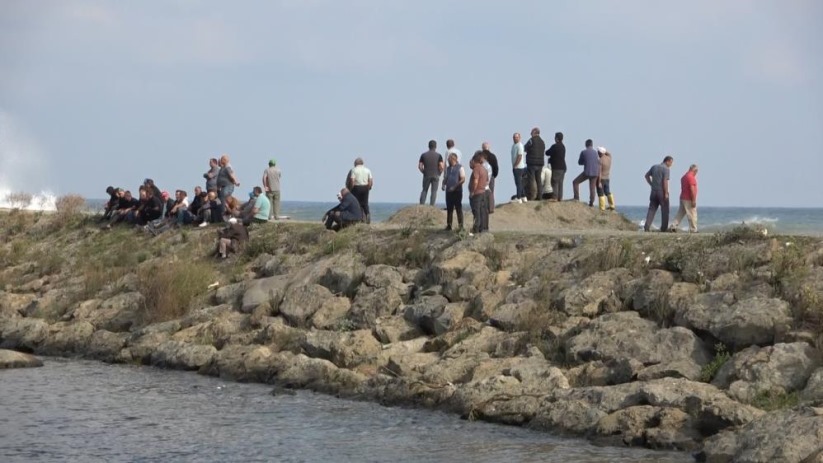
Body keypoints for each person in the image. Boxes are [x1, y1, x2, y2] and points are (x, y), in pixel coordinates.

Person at [644, 155, 674, 232]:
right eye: (671, 163)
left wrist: (651, 184)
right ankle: (663, 228)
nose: (671, 165)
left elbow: (646, 176)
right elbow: (665, 182)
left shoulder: (654, 167)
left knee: (652, 209)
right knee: (665, 210)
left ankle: (647, 227)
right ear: (667, 161)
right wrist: (666, 193)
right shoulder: (666, 169)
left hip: (653, 191)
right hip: (661, 191)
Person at [670, 164, 699, 233]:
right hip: (688, 198)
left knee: (680, 213)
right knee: (692, 214)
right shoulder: (691, 177)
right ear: (695, 171)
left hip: (682, 197)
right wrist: (693, 200)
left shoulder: (684, 177)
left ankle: (673, 226)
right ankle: (693, 229)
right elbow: (692, 189)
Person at [441, 151, 465, 231]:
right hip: (448, 191)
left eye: (448, 159)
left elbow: (463, 179)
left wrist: (454, 187)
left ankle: (461, 226)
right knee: (449, 209)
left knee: (458, 208)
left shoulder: (460, 167)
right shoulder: (448, 169)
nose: (447, 160)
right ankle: (449, 225)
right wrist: (443, 184)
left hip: (457, 191)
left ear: (453, 159)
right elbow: (446, 178)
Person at [572, 139, 600, 207]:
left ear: (586, 145)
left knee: (575, 182)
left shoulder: (583, 152)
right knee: (592, 188)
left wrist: (585, 162)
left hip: (587, 171)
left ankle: (576, 198)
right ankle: (591, 202)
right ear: (592, 144)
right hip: (595, 172)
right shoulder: (596, 152)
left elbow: (579, 162)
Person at [468, 151, 489, 234]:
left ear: (474, 160)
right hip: (483, 192)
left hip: (477, 193)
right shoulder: (484, 169)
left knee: (476, 211)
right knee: (481, 211)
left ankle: (476, 229)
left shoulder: (476, 169)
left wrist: (472, 191)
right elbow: (487, 181)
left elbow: (475, 181)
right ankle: (482, 228)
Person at [418, 140, 444, 205]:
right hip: (436, 175)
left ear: (428, 146)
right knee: (434, 191)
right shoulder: (439, 155)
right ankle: (432, 206)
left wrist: (424, 172)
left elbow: (420, 166)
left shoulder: (423, 155)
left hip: (426, 175)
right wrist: (439, 173)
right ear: (436, 146)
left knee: (424, 190)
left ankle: (422, 204)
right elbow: (441, 166)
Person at [348, 157, 373, 224]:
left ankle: (359, 218)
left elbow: (352, 181)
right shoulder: (368, 170)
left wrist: (350, 189)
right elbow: (370, 180)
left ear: (356, 163)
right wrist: (369, 187)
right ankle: (367, 214)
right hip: (365, 187)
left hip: (356, 187)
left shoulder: (354, 170)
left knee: (356, 203)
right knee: (365, 203)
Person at [524, 127, 546, 201]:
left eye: (531, 132)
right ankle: (539, 196)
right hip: (540, 163)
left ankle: (531, 196)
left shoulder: (531, 140)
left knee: (531, 180)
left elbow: (524, 148)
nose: (530, 134)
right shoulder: (542, 142)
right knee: (538, 180)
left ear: (534, 133)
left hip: (532, 163)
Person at [546, 132, 566, 201]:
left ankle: (555, 197)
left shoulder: (555, 146)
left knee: (554, 182)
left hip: (556, 167)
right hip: (563, 167)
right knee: (560, 183)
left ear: (557, 138)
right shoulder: (563, 147)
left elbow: (547, 153)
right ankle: (560, 197)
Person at [596, 147, 616, 211]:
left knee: (601, 193)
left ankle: (602, 208)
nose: (597, 154)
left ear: (600, 153)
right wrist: (604, 151)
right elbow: (608, 153)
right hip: (607, 178)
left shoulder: (600, 160)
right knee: (607, 192)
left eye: (598, 152)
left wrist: (598, 182)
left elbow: (599, 172)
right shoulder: (609, 158)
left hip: (601, 179)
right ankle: (612, 205)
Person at [481, 142, 498, 213]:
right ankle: (491, 208)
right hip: (491, 176)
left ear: (482, 148)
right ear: (489, 148)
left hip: (481, 177)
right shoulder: (493, 156)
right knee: (491, 192)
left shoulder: (480, 156)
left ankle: (483, 207)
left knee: (481, 192)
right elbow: (496, 167)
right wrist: (494, 175)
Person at [510, 132, 527, 203]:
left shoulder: (520, 145)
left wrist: (515, 165)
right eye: (514, 137)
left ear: (519, 138)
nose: (515, 138)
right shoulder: (514, 145)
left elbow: (520, 156)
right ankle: (524, 197)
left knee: (518, 182)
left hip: (519, 167)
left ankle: (518, 197)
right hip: (516, 167)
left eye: (517, 137)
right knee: (519, 182)